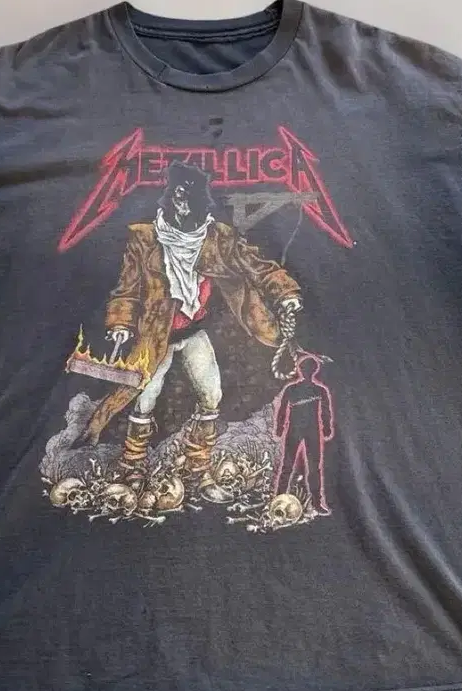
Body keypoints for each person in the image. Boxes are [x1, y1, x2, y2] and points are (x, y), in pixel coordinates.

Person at [81, 162, 301, 496]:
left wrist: (286, 293)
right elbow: (127, 288)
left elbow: (258, 267)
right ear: (171, 197)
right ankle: (133, 469)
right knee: (144, 400)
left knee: (212, 395)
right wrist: (121, 324)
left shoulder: (219, 238)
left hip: (195, 332)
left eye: (190, 199)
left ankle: (198, 469)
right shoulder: (144, 238)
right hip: (156, 336)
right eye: (178, 196)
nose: (183, 204)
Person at [273, 355, 334, 515]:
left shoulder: (318, 390)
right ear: (301, 370)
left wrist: (327, 427)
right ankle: (278, 500)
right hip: (297, 430)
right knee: (289, 466)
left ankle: (316, 502)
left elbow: (325, 411)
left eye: (309, 369)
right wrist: (279, 428)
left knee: (312, 468)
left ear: (314, 371)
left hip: (310, 431)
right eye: (305, 369)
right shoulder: (293, 389)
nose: (307, 372)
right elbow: (282, 410)